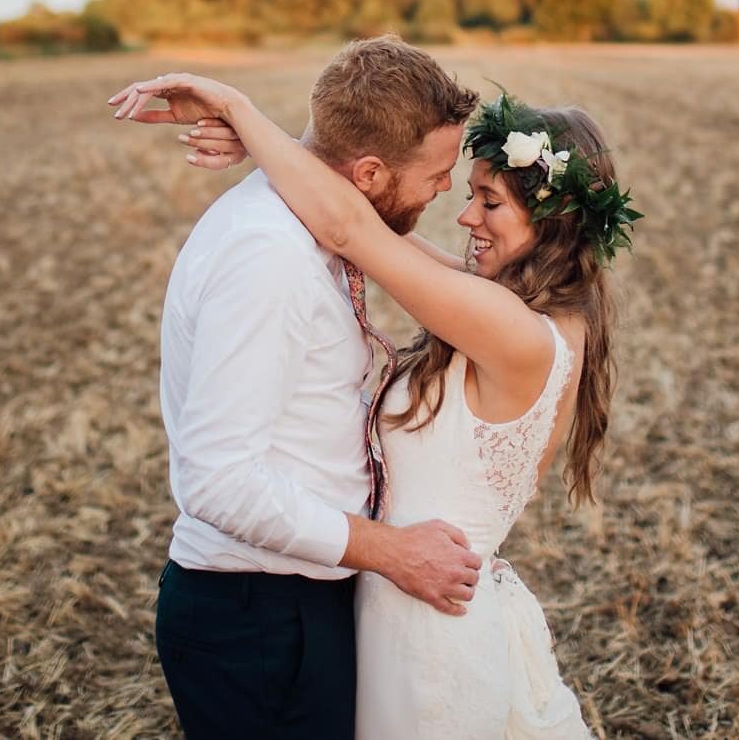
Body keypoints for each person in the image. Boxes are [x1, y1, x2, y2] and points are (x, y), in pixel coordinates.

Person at [110, 62, 639, 739]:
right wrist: (295, 153)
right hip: (375, 598)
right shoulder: (522, 304)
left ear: (554, 219)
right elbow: (365, 222)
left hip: (424, 615)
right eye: (458, 184)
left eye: (489, 199)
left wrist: (245, 115)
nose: (462, 210)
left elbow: (353, 231)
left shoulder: (515, 329)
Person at [120, 37, 489, 740]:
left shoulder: (314, 220)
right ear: (371, 171)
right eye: (439, 174)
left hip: (302, 598)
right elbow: (218, 480)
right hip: (255, 617)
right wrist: (394, 551)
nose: (446, 190)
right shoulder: (268, 257)